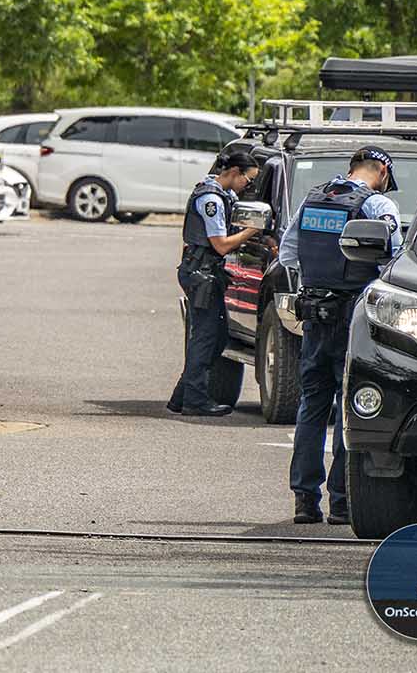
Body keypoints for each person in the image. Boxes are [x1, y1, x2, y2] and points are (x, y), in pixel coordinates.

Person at [277, 146, 401, 525]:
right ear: (381, 170)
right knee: (352, 409)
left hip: (315, 315)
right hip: (354, 318)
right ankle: (342, 500)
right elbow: (393, 260)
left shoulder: (313, 199)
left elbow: (287, 255)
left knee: (312, 408)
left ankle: (304, 500)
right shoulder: (378, 206)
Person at [167, 152, 261, 417]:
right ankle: (194, 400)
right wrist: (250, 233)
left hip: (205, 273)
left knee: (216, 335)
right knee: (206, 338)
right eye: (248, 179)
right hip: (201, 274)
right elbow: (220, 245)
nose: (248, 186)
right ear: (233, 172)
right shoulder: (211, 199)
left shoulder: (221, 194)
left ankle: (182, 396)